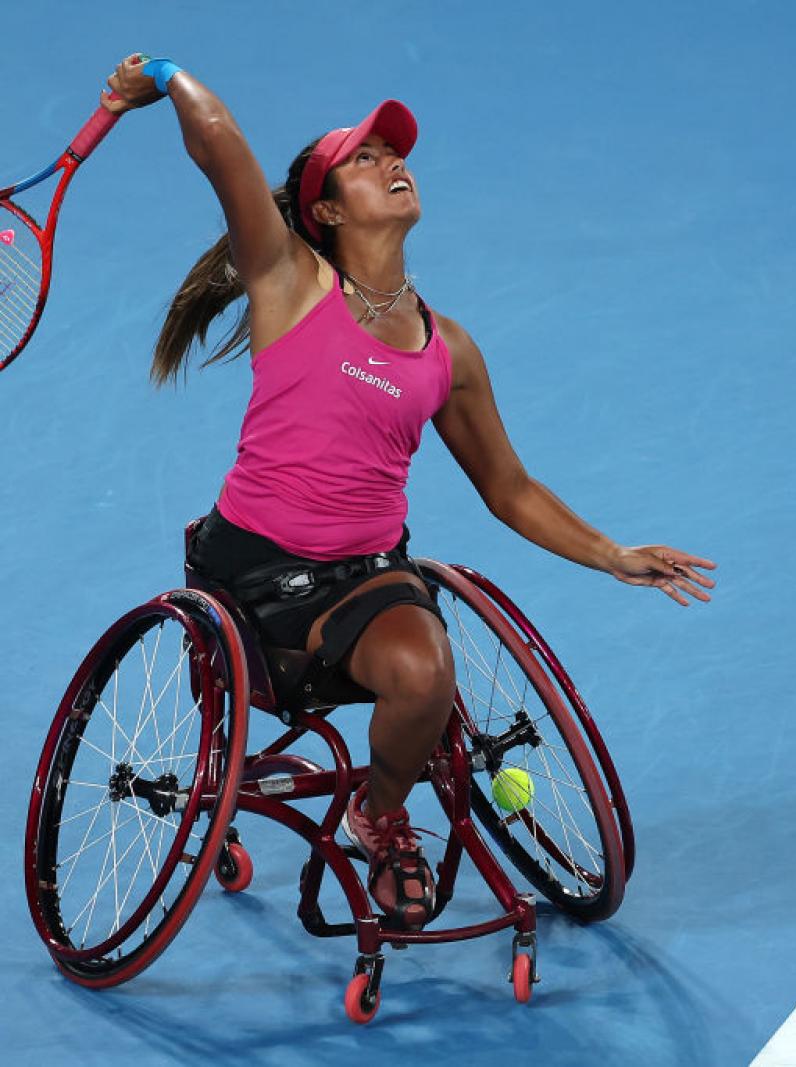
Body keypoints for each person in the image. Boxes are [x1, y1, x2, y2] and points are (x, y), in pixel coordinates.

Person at [101, 55, 716, 931]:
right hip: (252, 581)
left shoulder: (447, 350)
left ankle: (379, 812)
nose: (394, 163)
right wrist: (162, 76)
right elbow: (222, 143)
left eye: (397, 153)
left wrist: (613, 554)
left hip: (366, 578)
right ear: (323, 209)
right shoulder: (286, 279)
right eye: (365, 158)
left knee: (427, 670)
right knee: (394, 651)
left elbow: (508, 486)